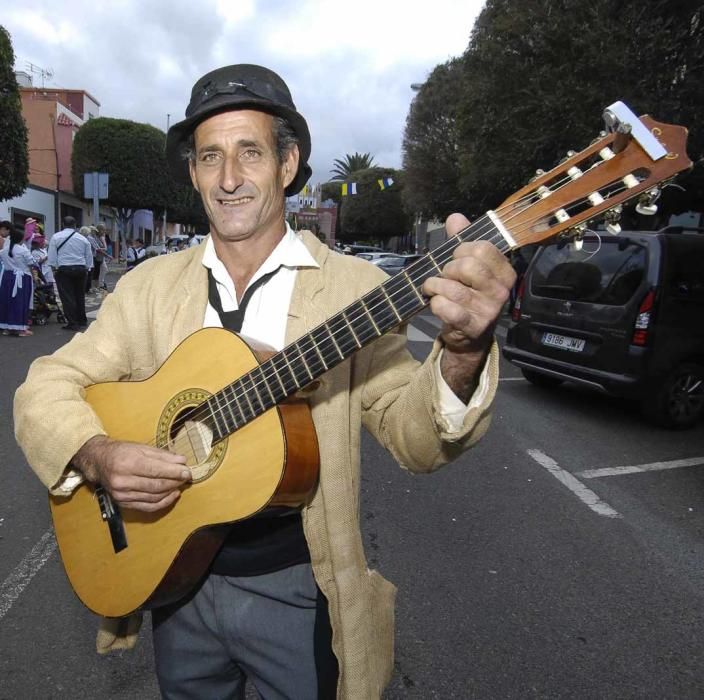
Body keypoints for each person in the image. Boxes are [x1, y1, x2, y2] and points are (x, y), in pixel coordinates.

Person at [14, 64, 515, 699]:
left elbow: (416, 442)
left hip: (299, 587)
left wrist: (463, 353)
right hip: (172, 577)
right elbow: (44, 384)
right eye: (210, 157)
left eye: (250, 152)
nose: (229, 179)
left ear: (287, 164)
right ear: (193, 174)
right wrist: (98, 452)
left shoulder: (356, 291)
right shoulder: (147, 288)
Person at [47, 216, 93, 331]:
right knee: (80, 295)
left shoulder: (56, 237)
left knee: (67, 297)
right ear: (75, 225)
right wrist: (87, 268)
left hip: (64, 269)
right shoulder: (83, 239)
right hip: (80, 269)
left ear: (63, 224)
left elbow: (52, 255)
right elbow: (89, 255)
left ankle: (73, 322)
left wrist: (54, 267)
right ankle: (82, 320)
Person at [0, 226, 36, 336]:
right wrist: (34, 277)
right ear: (21, 238)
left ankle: (7, 327)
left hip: (7, 277)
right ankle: (21, 329)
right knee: (21, 302)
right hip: (22, 278)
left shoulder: (3, 251)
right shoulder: (23, 250)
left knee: (7, 302)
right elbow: (31, 264)